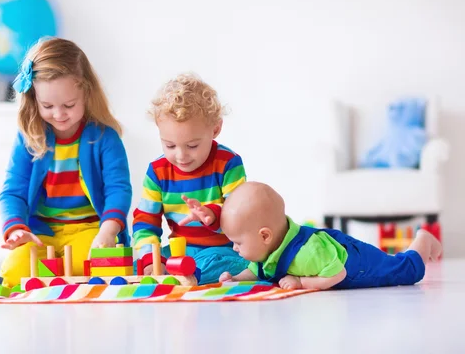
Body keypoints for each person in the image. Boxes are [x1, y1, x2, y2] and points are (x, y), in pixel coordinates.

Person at [0, 37, 132, 287]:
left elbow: (118, 189)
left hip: (89, 229)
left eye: (69, 105)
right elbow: (12, 192)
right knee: (14, 273)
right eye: (47, 106)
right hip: (41, 234)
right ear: (33, 99)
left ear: (86, 94)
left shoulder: (104, 138)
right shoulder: (29, 137)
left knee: (92, 267)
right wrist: (16, 228)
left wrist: (108, 231)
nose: (59, 114)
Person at [131, 73, 249, 284]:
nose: (181, 155)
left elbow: (242, 220)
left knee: (226, 263)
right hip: (181, 253)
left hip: (223, 251)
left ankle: (189, 276)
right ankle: (180, 275)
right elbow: (145, 222)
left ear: (215, 129)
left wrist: (212, 215)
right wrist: (151, 259)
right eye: (169, 145)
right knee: (136, 265)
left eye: (192, 146)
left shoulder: (228, 163)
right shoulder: (157, 171)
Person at [218, 182, 443, 290]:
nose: (235, 248)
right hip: (332, 252)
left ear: (265, 236)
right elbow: (257, 269)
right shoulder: (269, 249)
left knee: (403, 272)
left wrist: (300, 281)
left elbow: (337, 274)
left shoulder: (307, 255)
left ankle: (422, 240)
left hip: (355, 264)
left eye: (238, 243)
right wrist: (236, 278)